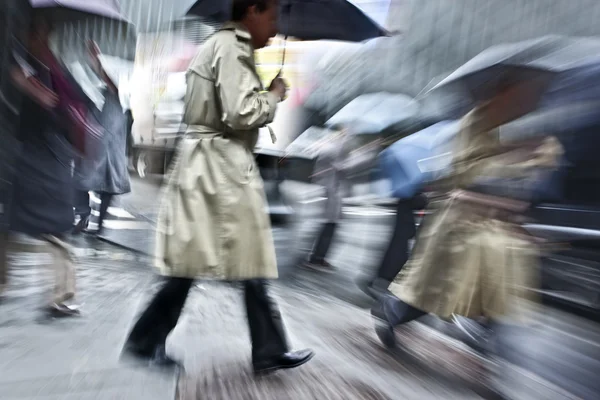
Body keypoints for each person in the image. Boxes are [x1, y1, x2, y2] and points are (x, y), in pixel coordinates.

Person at [121, 0, 314, 372]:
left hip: (215, 166)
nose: (274, 29)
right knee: (205, 259)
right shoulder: (230, 47)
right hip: (216, 169)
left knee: (241, 258)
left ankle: (267, 348)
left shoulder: (225, 45)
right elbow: (241, 112)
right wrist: (272, 96)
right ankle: (146, 342)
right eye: (271, 18)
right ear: (252, 10)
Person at [371, 79, 564, 350]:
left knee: (485, 286)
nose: (522, 100)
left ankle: (488, 339)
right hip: (456, 223)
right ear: (499, 92)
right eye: (516, 92)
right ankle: (392, 311)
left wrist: (516, 154)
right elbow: (469, 173)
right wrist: (512, 155)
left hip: (482, 223)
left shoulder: (498, 126)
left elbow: (498, 171)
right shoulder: (474, 123)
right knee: (436, 289)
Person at [6, 15, 91, 317]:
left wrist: (56, 104)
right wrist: (29, 87)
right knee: (7, 223)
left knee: (55, 229)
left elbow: (71, 105)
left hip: (48, 157)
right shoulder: (18, 60)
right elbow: (19, 86)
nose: (45, 40)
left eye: (48, 34)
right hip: (22, 155)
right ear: (30, 35)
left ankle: (62, 295)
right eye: (41, 33)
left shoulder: (52, 68)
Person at [74, 41, 131, 235]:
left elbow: (111, 79)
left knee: (104, 186)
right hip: (96, 147)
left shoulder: (120, 96)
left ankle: (97, 225)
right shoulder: (103, 94)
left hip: (106, 150)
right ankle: (84, 215)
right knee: (81, 181)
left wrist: (98, 61)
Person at [356, 193, 427, 297]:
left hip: (402, 223)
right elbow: (418, 202)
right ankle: (385, 284)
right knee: (397, 253)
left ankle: (381, 281)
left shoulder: (406, 187)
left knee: (395, 252)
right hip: (404, 224)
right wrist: (424, 199)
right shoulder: (411, 188)